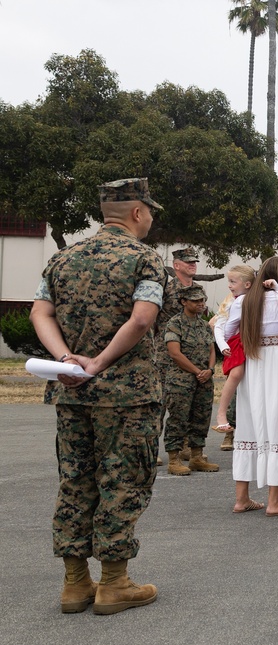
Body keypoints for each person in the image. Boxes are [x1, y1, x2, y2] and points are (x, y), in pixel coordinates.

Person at [31, 177, 165, 615]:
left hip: (73, 394)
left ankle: (74, 584)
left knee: (76, 480)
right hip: (127, 397)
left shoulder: (62, 259)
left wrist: (68, 359)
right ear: (138, 212)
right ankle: (113, 583)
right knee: (122, 482)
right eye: (150, 213)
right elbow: (143, 319)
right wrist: (100, 362)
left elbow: (40, 312)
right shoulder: (144, 259)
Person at [224, 256, 278, 516]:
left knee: (251, 423)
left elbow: (228, 332)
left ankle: (242, 499)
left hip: (252, 363)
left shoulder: (243, 301)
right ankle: (274, 501)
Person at [162, 285, 218, 475]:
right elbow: (174, 353)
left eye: (202, 300)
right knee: (178, 419)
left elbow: (212, 350)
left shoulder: (204, 325)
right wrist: (197, 371)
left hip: (204, 379)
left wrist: (210, 370)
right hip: (181, 380)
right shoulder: (174, 323)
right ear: (184, 302)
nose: (201, 304)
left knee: (201, 418)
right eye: (196, 301)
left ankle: (196, 457)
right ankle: (174, 460)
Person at [156, 247, 201, 458]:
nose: (193, 264)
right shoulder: (166, 289)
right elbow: (152, 318)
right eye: (188, 261)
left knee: (187, 401)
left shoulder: (198, 290)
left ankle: (183, 445)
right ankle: (152, 447)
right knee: (161, 400)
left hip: (191, 353)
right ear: (176, 265)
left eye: (194, 261)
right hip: (165, 353)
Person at [211, 264, 256, 450]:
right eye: (229, 281)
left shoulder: (254, 297)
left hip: (252, 341)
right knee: (236, 374)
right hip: (236, 342)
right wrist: (223, 345)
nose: (229, 285)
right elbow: (221, 326)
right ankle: (221, 413)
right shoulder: (233, 301)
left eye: (232, 281)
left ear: (247, 284)